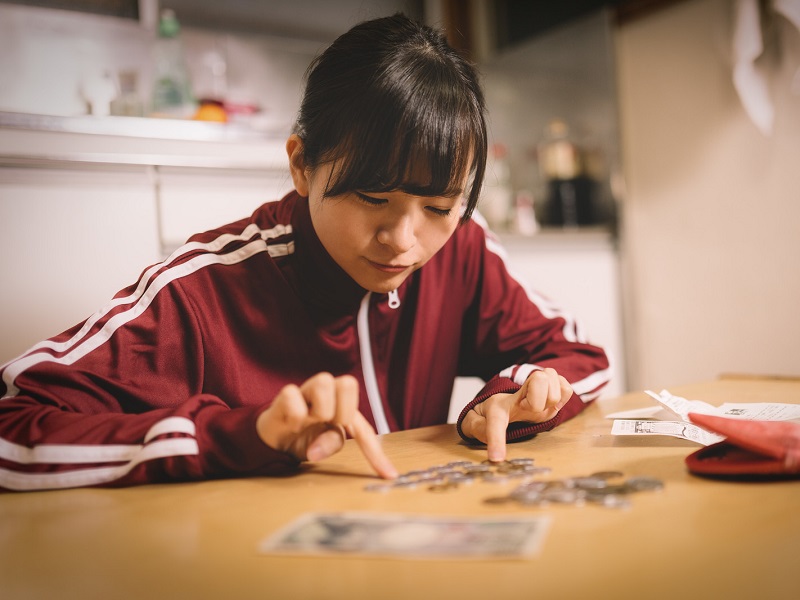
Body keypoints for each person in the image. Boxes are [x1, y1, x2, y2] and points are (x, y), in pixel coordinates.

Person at [0, 14, 609, 492]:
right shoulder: (207, 289)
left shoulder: (462, 249)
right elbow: (14, 424)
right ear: (301, 165)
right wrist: (238, 435)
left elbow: (578, 356)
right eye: (372, 197)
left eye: (438, 207)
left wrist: (517, 394)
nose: (404, 241)